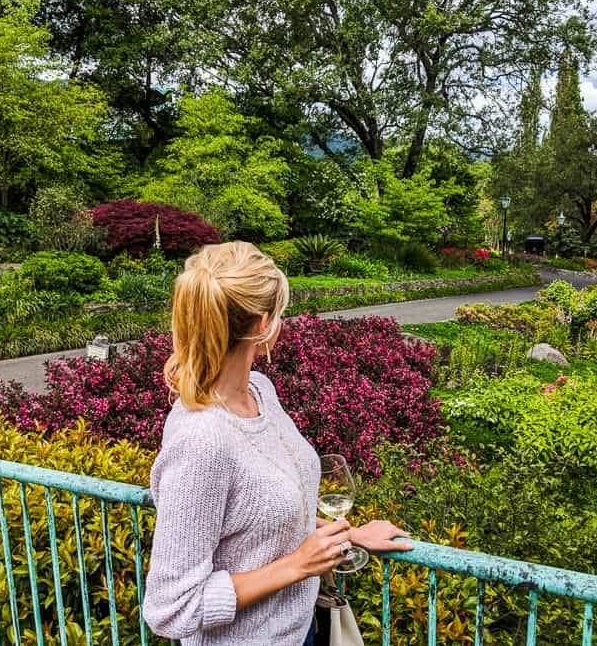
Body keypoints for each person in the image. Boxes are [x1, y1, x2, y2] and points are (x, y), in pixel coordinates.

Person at [143, 242, 413, 646]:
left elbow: (262, 519)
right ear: (262, 325)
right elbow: (171, 608)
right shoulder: (202, 441)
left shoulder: (260, 391)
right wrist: (297, 566)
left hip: (298, 632)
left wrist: (346, 535)